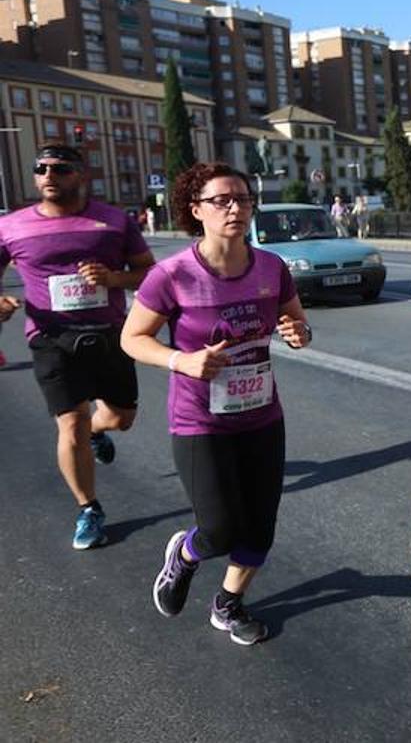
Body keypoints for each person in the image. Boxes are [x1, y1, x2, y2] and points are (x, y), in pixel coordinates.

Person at [121, 162, 311, 646]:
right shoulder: (173, 275)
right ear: (195, 210)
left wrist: (298, 333)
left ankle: (228, 604)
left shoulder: (272, 268)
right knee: (220, 529)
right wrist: (180, 361)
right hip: (199, 421)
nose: (235, 209)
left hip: (262, 416)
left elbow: (296, 325)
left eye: (243, 199)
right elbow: (132, 338)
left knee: (260, 530)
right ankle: (183, 556)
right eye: (222, 201)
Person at [0, 144, 154, 549]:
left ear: (81, 175)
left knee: (121, 418)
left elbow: (148, 272)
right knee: (71, 424)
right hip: (52, 338)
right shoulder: (11, 226)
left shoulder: (115, 221)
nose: (49, 174)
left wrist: (113, 280)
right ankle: (89, 509)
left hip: (110, 335)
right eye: (41, 168)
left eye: (61, 168)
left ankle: (96, 433)